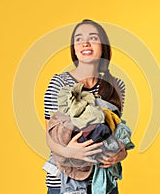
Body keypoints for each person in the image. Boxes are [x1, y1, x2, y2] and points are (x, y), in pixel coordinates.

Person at [43, 19, 129, 194]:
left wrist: (121, 154)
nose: (85, 43)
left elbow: (115, 133)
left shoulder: (117, 86)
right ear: (74, 49)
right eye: (79, 39)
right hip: (64, 182)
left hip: (104, 184)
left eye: (93, 37)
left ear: (103, 46)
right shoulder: (59, 83)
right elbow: (50, 136)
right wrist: (70, 152)